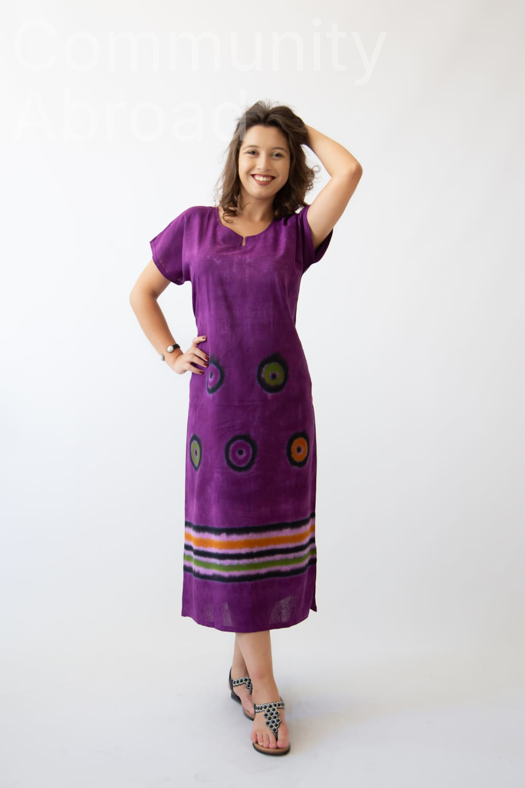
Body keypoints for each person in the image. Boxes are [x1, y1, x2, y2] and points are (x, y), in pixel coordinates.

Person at [129, 100, 363, 756]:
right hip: (218, 413)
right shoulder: (195, 227)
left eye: (278, 153)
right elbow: (141, 293)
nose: (264, 164)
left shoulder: (296, 234)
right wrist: (172, 354)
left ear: (292, 165)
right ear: (235, 157)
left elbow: (349, 171)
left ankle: (242, 671)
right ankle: (263, 685)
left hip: (282, 414)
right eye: (253, 150)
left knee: (263, 544)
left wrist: (295, 124)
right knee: (237, 542)